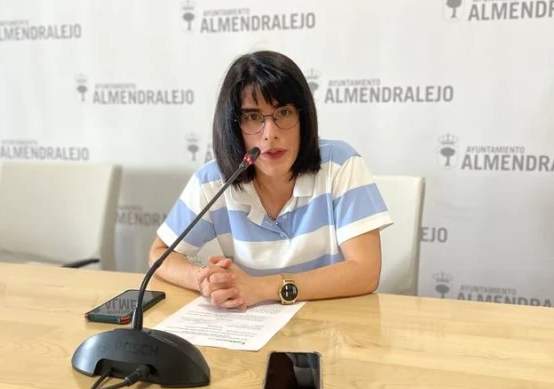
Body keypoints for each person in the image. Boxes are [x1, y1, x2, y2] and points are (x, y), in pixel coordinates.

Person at [150, 50, 392, 309]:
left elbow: (365, 271)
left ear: (303, 117)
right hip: (251, 324)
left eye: (284, 112)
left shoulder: (339, 165)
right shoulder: (214, 181)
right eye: (253, 117)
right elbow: (160, 254)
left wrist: (264, 287)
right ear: (233, 126)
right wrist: (206, 280)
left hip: (331, 321)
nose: (270, 134)